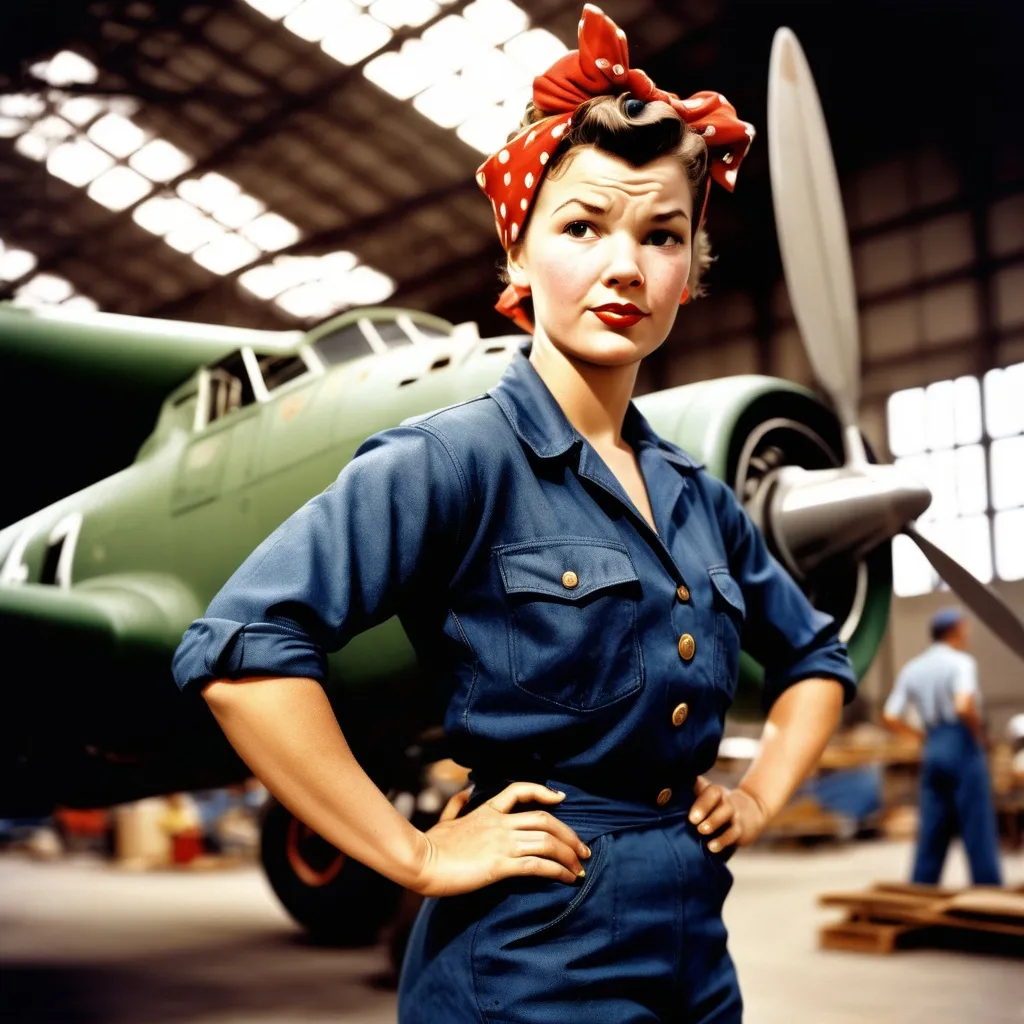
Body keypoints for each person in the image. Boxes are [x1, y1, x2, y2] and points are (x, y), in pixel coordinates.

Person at [171, 6, 856, 1020]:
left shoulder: (698, 497)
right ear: (518, 261)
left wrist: (758, 797)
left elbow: (815, 662)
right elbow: (241, 651)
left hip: (696, 957)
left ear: (687, 278)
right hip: (528, 958)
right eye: (581, 226)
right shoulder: (451, 461)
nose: (625, 266)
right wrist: (412, 849)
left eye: (662, 235)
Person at [882, 607, 1003, 886]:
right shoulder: (961, 663)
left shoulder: (913, 667)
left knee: (932, 828)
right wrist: (977, 735)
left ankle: (921, 889)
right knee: (977, 826)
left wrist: (922, 737)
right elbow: (963, 705)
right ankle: (988, 891)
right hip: (962, 744)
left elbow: (890, 715)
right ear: (957, 630)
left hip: (934, 745)